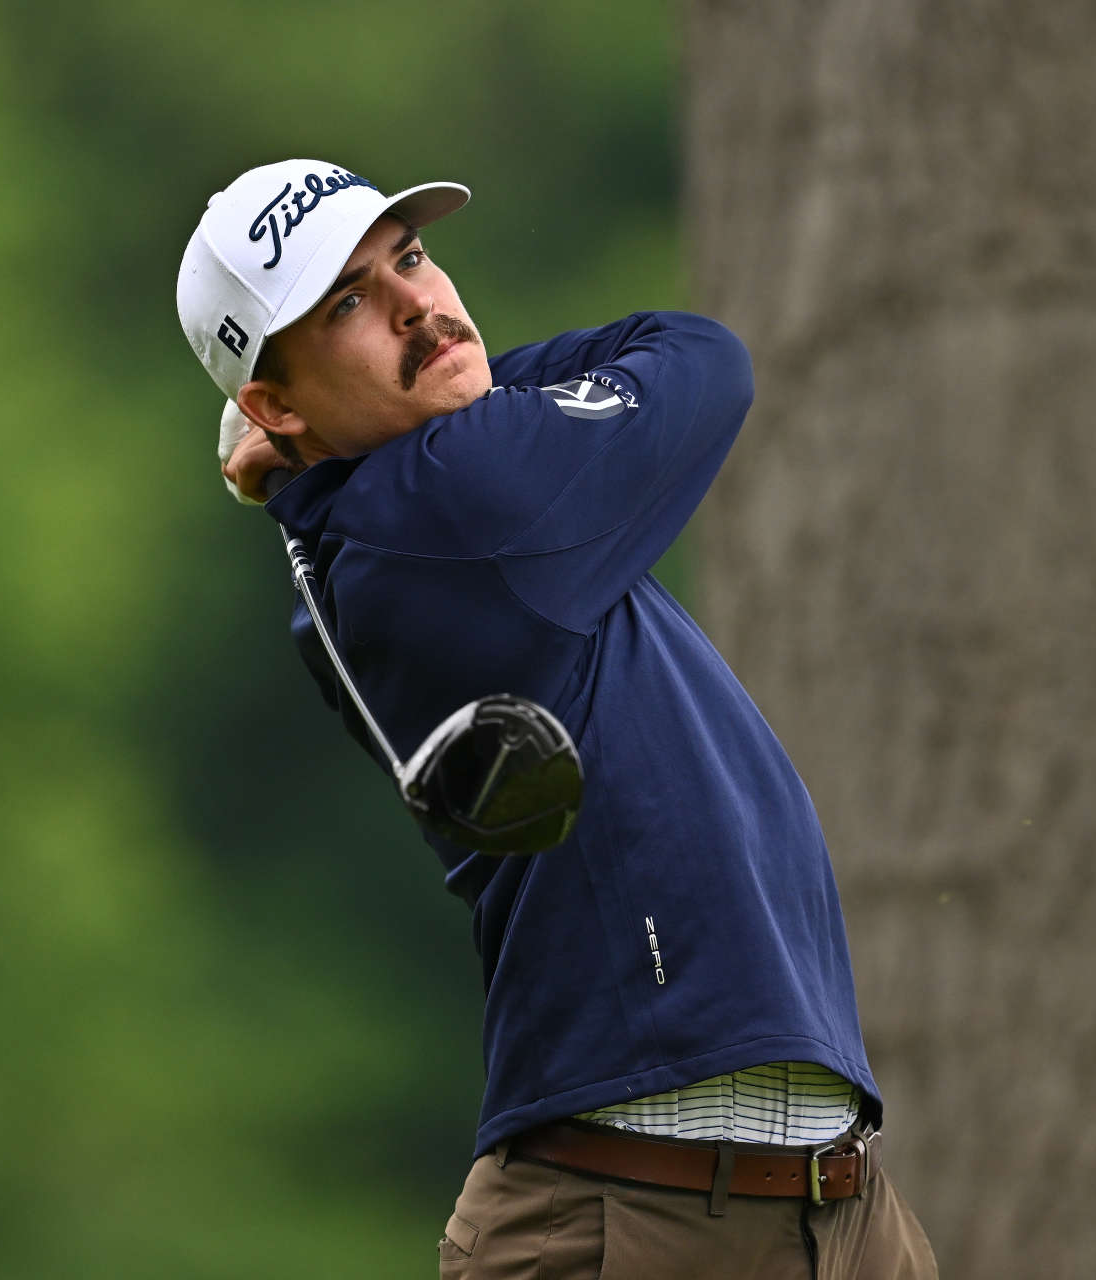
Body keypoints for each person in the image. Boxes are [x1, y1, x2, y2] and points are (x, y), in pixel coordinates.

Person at [177, 158, 936, 1279]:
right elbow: (700, 360)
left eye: (412, 260)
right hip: (629, 1218)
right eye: (347, 304)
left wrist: (334, 438)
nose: (416, 306)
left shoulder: (418, 510)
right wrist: (426, 407)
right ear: (273, 402)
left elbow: (461, 410)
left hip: (834, 1209)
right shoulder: (452, 508)